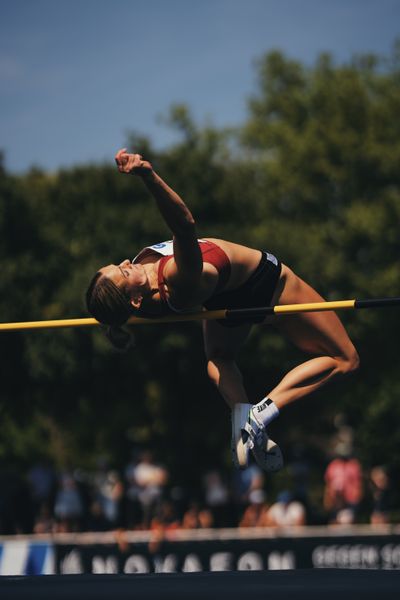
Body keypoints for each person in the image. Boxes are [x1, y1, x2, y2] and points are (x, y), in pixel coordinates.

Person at [86, 149, 360, 473]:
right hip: (267, 283)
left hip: (224, 304)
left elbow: (110, 314)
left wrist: (110, 321)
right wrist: (148, 176)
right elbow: (185, 226)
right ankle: (261, 415)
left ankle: (243, 417)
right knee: (345, 359)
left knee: (219, 356)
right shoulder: (176, 277)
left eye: (117, 264)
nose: (126, 263)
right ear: (133, 300)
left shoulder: (135, 307)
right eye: (123, 272)